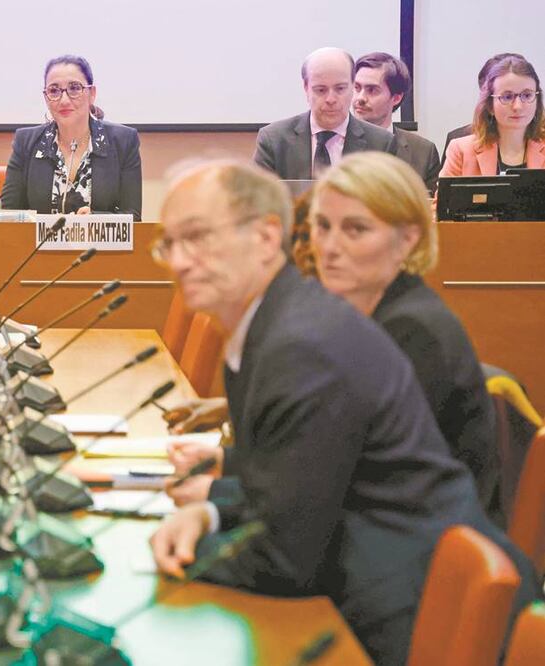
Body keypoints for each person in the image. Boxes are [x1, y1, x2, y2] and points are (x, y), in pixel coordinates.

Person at [147, 160, 539, 666]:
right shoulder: (276, 324)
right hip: (374, 575)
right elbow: (298, 485)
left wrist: (157, 558)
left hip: (402, 611)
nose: (179, 261)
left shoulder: (303, 341)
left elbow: (288, 557)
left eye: (197, 238)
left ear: (268, 239)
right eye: (169, 243)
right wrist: (214, 511)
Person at [309, 151, 500, 522]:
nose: (329, 247)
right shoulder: (362, 313)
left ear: (407, 239)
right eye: (322, 225)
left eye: (355, 229)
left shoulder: (413, 332)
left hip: (425, 550)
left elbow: (349, 474)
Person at [0, 55, 141, 220]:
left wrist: (96, 218)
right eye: (54, 90)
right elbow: (8, 216)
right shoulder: (25, 142)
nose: (64, 100)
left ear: (92, 93)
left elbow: (133, 217)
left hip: (99, 246)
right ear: (46, 97)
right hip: (38, 246)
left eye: (74, 88)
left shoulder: (123, 141)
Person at [254, 47, 396, 180]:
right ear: (306, 88)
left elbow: (386, 203)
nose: (331, 99)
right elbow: (260, 202)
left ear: (353, 86)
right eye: (321, 90)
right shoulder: (274, 140)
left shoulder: (381, 144)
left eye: (340, 89)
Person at [440, 54, 545, 176]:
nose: (518, 106)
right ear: (490, 106)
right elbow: (444, 196)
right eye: (507, 97)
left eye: (527, 95)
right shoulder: (461, 150)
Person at [352, 52, 441, 191]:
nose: (360, 98)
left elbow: (429, 209)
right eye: (357, 88)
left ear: (396, 98)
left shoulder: (423, 152)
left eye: (372, 90)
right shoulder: (336, 141)